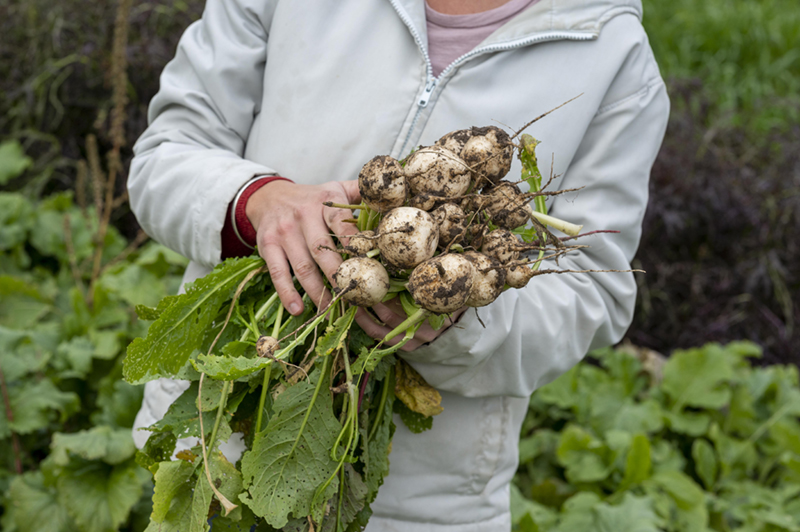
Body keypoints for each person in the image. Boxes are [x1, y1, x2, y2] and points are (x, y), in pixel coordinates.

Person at [128, 0, 669, 530]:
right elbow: (166, 157)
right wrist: (260, 203)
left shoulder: (613, 50)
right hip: (211, 446)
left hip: (422, 503)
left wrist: (450, 314)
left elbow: (594, 294)